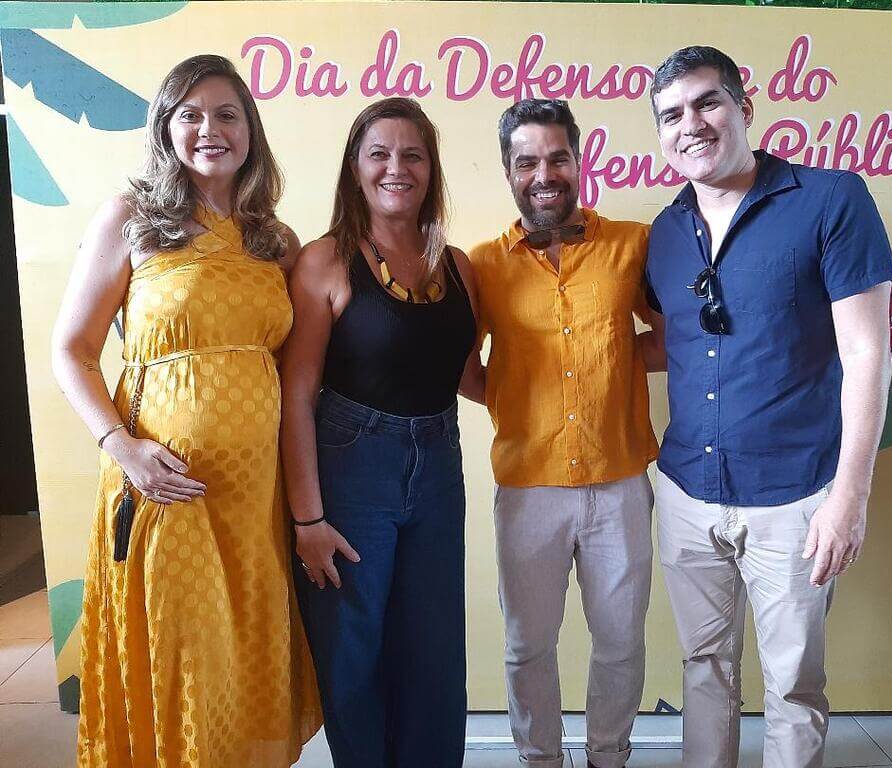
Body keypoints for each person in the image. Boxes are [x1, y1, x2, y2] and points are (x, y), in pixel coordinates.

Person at [51, 55, 321, 767]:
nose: (210, 129)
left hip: (255, 501)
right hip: (165, 490)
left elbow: (298, 368)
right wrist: (123, 448)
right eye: (191, 115)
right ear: (165, 127)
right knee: (184, 665)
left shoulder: (275, 241)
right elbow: (71, 351)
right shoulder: (130, 218)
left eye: (227, 115)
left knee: (244, 667)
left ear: (250, 131)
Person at [645, 46, 892, 768]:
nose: (691, 124)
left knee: (793, 684)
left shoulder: (831, 199)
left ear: (744, 108)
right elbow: (666, 343)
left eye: (707, 102)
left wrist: (849, 498)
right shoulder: (664, 231)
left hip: (796, 498)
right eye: (671, 115)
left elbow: (867, 354)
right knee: (703, 671)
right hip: (688, 493)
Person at [461, 99, 660, 768]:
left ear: (578, 161)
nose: (543, 174)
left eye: (557, 158)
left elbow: (671, 338)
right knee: (527, 647)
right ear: (508, 171)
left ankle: (609, 757)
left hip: (620, 483)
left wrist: (614, 363)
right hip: (528, 489)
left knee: (621, 643)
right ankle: (539, 759)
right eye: (527, 162)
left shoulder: (633, 245)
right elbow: (462, 365)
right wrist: (518, 399)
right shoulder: (482, 265)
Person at [280, 97, 478, 768]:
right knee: (353, 653)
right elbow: (296, 396)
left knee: (434, 652)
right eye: (380, 154)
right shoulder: (325, 261)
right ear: (355, 168)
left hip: (439, 469)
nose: (398, 168)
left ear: (431, 169)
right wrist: (307, 519)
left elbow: (470, 377)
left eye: (413, 155)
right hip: (350, 471)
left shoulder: (459, 267)